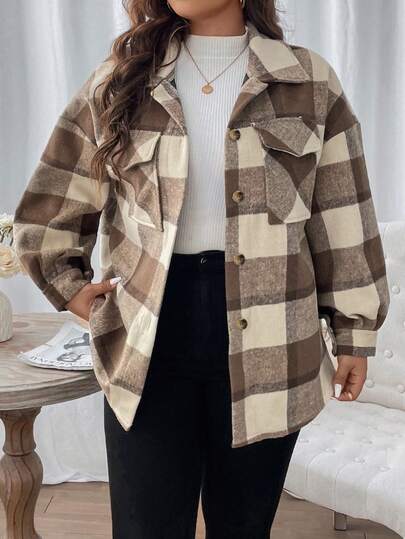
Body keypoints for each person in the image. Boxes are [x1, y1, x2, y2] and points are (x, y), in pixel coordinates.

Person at [13, 0, 390, 537]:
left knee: (243, 526)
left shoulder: (308, 82)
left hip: (272, 344)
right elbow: (51, 203)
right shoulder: (121, 81)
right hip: (148, 342)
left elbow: (343, 216)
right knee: (146, 526)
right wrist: (70, 288)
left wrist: (354, 333)